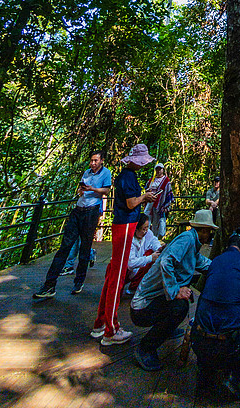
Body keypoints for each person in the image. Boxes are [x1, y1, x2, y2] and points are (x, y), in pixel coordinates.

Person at [130, 208, 216, 372]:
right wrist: (175, 290)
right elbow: (165, 262)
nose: (210, 235)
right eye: (209, 231)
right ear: (203, 230)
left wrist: (224, 267)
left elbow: (203, 263)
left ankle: (165, 330)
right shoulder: (186, 240)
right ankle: (145, 348)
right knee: (179, 307)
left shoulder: (192, 245)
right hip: (142, 308)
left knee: (179, 305)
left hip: (152, 303)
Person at [91, 143, 156, 345]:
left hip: (124, 225)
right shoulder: (128, 177)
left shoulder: (125, 176)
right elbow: (130, 204)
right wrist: (144, 196)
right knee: (118, 278)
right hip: (125, 226)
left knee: (113, 275)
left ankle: (100, 323)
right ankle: (111, 330)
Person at [191, 228, 240, 399]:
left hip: (200, 340)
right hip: (230, 343)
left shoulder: (215, 261)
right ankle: (235, 374)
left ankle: (205, 372)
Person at [33, 151, 111, 300]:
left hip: (91, 211)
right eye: (91, 161)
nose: (93, 163)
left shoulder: (106, 173)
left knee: (85, 248)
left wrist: (92, 189)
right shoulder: (87, 173)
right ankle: (49, 284)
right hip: (78, 210)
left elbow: (106, 190)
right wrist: (81, 190)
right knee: (65, 246)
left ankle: (79, 281)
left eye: (95, 161)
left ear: (101, 161)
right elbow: (80, 189)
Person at [122, 214, 163, 297]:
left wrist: (159, 249)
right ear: (136, 229)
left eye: (147, 228)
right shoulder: (130, 240)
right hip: (126, 270)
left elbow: (153, 241)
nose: (145, 231)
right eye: (143, 229)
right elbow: (131, 264)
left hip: (137, 269)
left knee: (153, 256)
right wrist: (150, 258)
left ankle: (135, 287)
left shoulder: (148, 233)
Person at [145, 162, 175, 239]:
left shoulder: (166, 181)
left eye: (160, 169)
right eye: (157, 169)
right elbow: (146, 188)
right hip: (150, 203)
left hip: (159, 204)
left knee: (157, 223)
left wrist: (166, 205)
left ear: (163, 170)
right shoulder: (151, 180)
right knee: (146, 219)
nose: (158, 171)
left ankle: (155, 238)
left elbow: (168, 192)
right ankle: (146, 237)